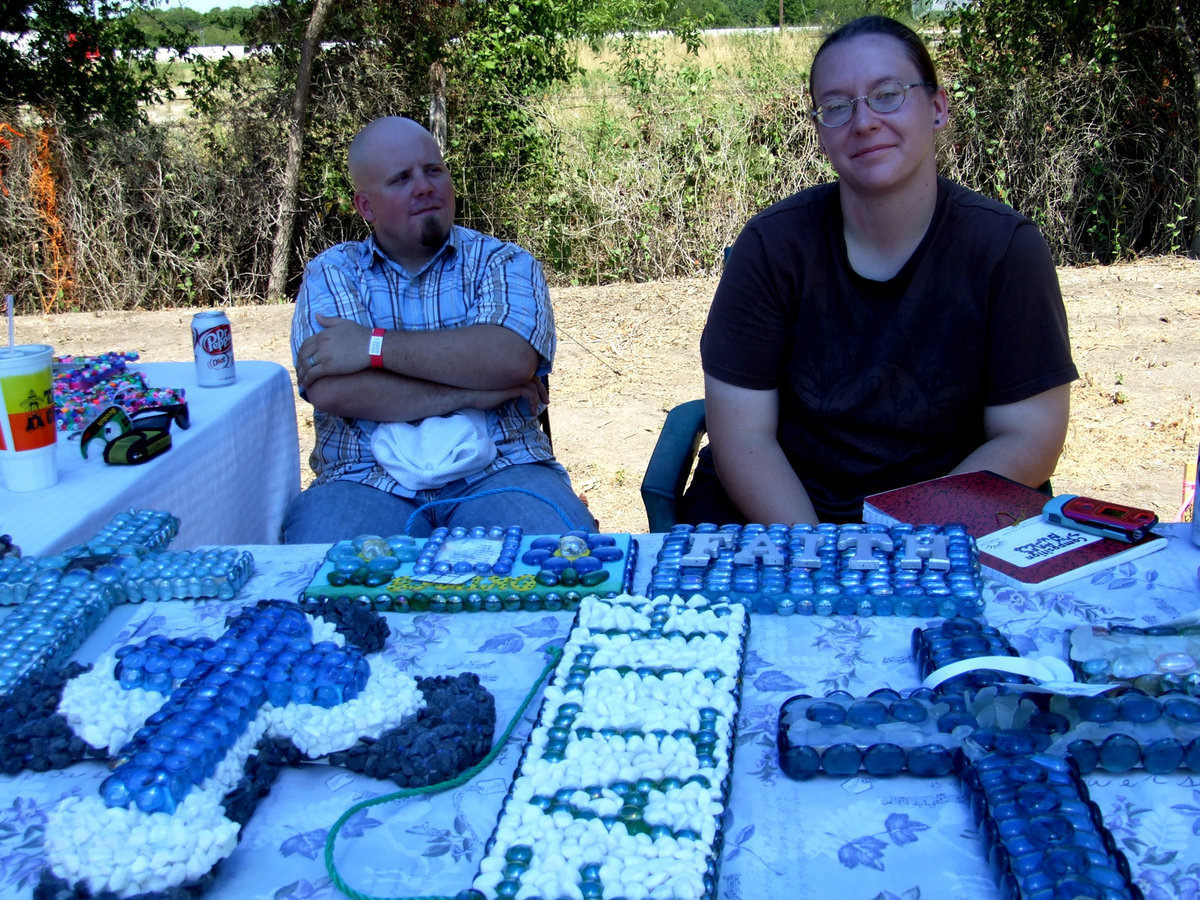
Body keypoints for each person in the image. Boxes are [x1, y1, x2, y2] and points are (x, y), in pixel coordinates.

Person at [679, 15, 1078, 526]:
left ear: (937, 108)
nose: (863, 121)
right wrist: (820, 558)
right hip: (780, 522)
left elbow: (1028, 436)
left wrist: (905, 541)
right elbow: (743, 436)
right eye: (837, 107)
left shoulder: (1005, 249)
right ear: (821, 133)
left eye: (888, 94)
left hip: (948, 522)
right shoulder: (771, 248)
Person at [282, 116, 594, 543]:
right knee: (323, 591)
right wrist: (476, 393)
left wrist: (372, 347)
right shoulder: (333, 272)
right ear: (366, 207)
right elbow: (336, 390)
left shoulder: (502, 262)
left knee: (566, 576)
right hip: (361, 478)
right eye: (401, 179)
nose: (425, 187)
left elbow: (509, 359)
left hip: (502, 468)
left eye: (433, 170)